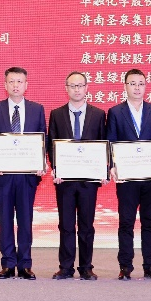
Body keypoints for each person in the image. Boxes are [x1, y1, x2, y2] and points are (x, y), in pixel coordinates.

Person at [0, 66, 47, 280]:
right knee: (5, 219)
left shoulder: (37, 109)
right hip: (3, 175)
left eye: (19, 81)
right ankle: (8, 263)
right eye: (11, 81)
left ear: (26, 85)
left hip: (28, 175)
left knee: (25, 220)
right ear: (5, 85)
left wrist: (41, 162)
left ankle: (25, 264)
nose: (15, 85)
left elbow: (42, 139)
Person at [105, 68, 151, 281]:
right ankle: (125, 266)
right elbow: (111, 141)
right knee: (126, 222)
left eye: (141, 84)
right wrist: (112, 166)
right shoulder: (115, 112)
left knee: (149, 222)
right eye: (132, 84)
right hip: (127, 178)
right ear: (125, 86)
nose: (137, 88)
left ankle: (150, 266)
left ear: (146, 86)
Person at [46, 71, 107, 280]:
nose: (77, 89)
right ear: (66, 89)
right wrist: (56, 168)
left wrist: (103, 171)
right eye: (72, 86)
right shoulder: (57, 114)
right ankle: (65, 267)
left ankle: (86, 267)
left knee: (87, 225)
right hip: (65, 180)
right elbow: (52, 144)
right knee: (66, 224)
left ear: (87, 88)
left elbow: (103, 145)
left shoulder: (98, 114)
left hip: (89, 181)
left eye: (80, 85)